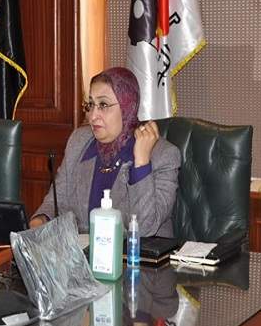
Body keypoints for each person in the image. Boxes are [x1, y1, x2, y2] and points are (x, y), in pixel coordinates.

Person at [30, 67, 180, 236]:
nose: (93, 116)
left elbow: (144, 228)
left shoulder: (163, 155)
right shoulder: (80, 142)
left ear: (126, 106)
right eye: (91, 104)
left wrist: (141, 164)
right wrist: (41, 220)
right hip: (84, 257)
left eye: (103, 105)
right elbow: (57, 201)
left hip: (135, 259)